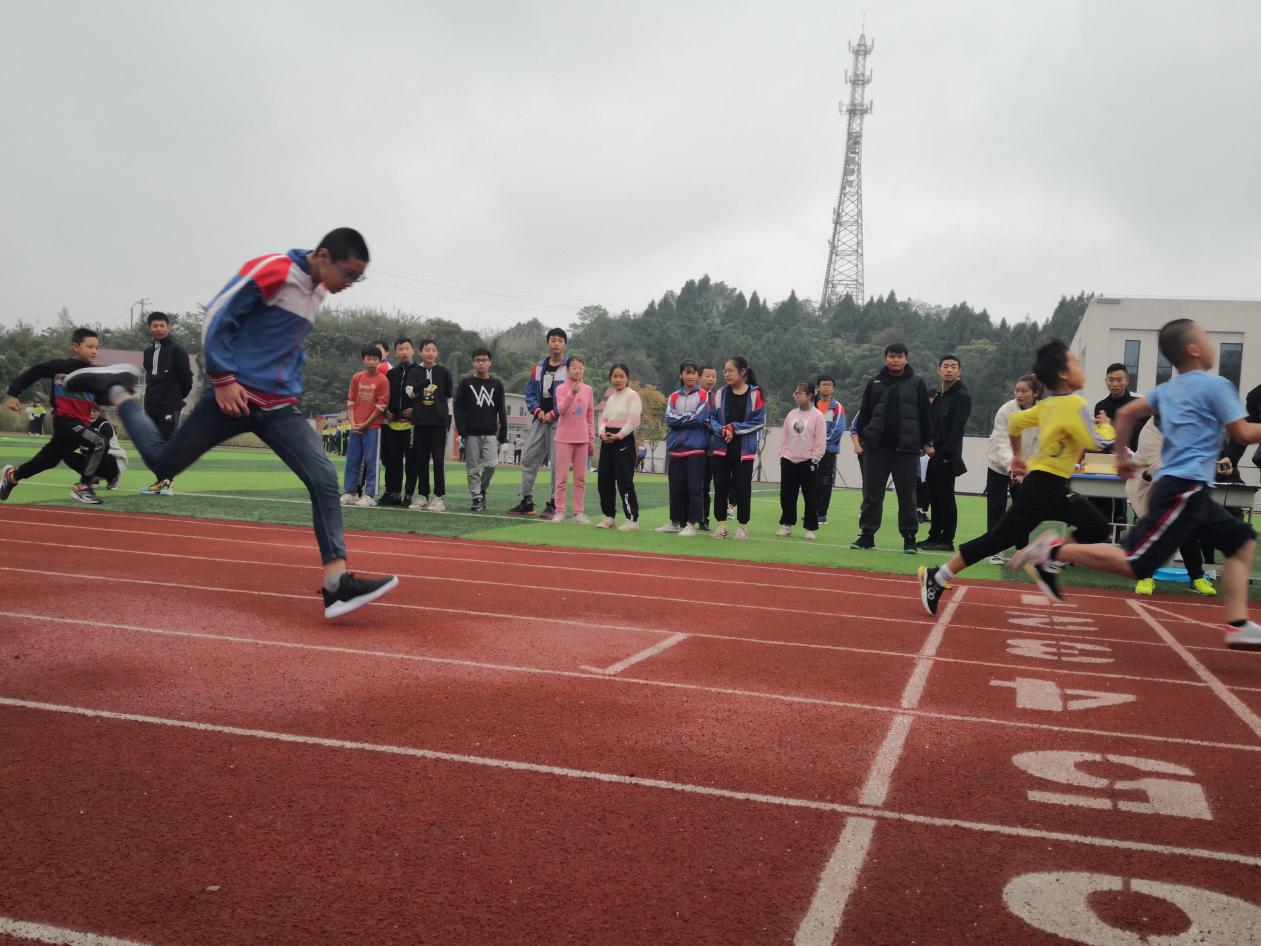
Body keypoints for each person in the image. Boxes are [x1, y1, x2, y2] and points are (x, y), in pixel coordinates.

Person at [64, 228, 397, 618]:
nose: (349, 283)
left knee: (323, 477)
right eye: (349, 273)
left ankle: (337, 582)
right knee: (163, 463)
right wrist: (222, 379)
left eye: (358, 278)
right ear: (323, 255)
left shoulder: (319, 291)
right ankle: (118, 390)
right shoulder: (274, 270)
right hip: (232, 398)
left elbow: (281, 341)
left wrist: (289, 379)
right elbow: (217, 315)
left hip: (278, 406)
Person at [1011, 320, 1261, 649]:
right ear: (1194, 349)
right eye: (1207, 339)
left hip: (1188, 489)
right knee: (1135, 563)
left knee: (1242, 542)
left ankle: (1238, 623)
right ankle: (1053, 550)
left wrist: (1121, 456)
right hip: (1182, 489)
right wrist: (1122, 456)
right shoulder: (1216, 387)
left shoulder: (1167, 389)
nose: (1213, 347)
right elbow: (1243, 433)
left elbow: (1127, 413)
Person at [918, 339, 1114, 615]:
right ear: (1062, 374)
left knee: (1096, 525)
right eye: (1076, 364)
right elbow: (1097, 442)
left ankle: (1046, 558)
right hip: (1044, 486)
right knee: (997, 540)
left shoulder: (1049, 406)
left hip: (1051, 485)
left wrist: (1019, 456)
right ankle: (938, 576)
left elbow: (1017, 423)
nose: (1081, 369)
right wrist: (1107, 427)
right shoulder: (1075, 404)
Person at [2, 328, 126, 505]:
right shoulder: (62, 367)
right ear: (75, 346)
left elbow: (98, 397)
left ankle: (12, 477)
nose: (94, 351)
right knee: (99, 442)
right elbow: (36, 371)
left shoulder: (95, 374)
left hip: (77, 425)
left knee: (46, 461)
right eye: (89, 346)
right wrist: (13, 394)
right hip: (65, 421)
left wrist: (116, 399)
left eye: (97, 348)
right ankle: (83, 487)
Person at [851, 343, 934, 553]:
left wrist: (927, 441)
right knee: (872, 493)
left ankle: (909, 538)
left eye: (899, 356)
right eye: (891, 356)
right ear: (885, 358)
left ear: (906, 358)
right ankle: (867, 536)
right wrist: (862, 436)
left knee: (907, 495)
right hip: (876, 448)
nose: (895, 360)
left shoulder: (917, 383)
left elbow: (925, 415)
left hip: (906, 449)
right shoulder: (875, 381)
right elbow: (866, 411)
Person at [1127, 418, 1218, 597]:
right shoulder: (1150, 430)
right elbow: (1160, 467)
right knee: (1152, 530)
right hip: (1148, 486)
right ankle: (1145, 576)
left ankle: (1196, 577)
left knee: (1187, 530)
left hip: (1177, 483)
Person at [508, 328, 569, 518]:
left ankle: (554, 504)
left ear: (565, 344)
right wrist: (538, 411)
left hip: (559, 421)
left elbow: (571, 395)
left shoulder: (569, 368)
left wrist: (554, 412)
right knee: (527, 458)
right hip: (539, 419)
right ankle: (527, 501)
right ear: (547, 343)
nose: (556, 343)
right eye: (553, 340)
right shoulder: (539, 367)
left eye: (560, 340)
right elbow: (530, 393)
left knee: (557, 464)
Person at [982, 374, 1042, 564]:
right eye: (1017, 390)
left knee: (1023, 509)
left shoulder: (1043, 413)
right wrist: (1011, 468)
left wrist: (1025, 470)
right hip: (999, 466)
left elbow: (1040, 446)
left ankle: (1022, 550)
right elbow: (1001, 443)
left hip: (1026, 469)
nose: (1019, 394)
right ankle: (995, 551)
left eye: (1024, 391)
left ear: (1036, 393)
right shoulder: (1005, 411)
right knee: (996, 508)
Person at [708, 356, 765, 540]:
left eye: (730, 370)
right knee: (720, 487)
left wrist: (734, 428)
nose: (726, 374)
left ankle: (742, 526)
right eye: (724, 371)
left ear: (742, 372)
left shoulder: (755, 394)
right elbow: (712, 419)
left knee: (742, 489)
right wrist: (723, 429)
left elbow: (759, 421)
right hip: (721, 449)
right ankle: (721, 525)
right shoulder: (720, 394)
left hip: (744, 451)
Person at [138, 311, 194, 497]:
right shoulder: (148, 352)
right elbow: (150, 378)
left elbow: (187, 378)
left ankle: (168, 482)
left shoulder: (177, 350)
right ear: (149, 328)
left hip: (170, 404)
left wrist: (176, 398)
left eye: (162, 325)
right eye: (155, 326)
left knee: (168, 441)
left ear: (168, 327)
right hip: (151, 404)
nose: (159, 329)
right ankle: (159, 480)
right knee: (153, 444)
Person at [918, 355, 971, 551]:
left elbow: (957, 430)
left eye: (953, 367)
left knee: (946, 498)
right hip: (934, 453)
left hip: (947, 455)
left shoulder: (962, 396)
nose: (949, 370)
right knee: (935, 497)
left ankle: (947, 540)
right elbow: (932, 425)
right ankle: (934, 536)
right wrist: (926, 444)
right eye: (945, 366)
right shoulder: (939, 396)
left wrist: (942, 453)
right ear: (938, 370)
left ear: (959, 371)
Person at [659, 359, 710, 536]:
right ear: (681, 374)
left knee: (694, 488)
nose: (690, 376)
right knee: (676, 487)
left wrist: (681, 419)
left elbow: (699, 417)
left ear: (697, 375)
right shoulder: (673, 396)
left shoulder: (703, 395)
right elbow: (669, 419)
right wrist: (687, 417)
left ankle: (690, 524)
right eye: (687, 372)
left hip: (695, 449)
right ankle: (675, 522)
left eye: (694, 372)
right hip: (676, 449)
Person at [453, 347, 507, 512]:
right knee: (473, 468)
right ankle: (476, 497)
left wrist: (503, 432)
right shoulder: (466, 383)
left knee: (491, 465)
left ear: (490, 363)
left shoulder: (496, 384)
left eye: (484, 360)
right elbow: (458, 406)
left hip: (490, 432)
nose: (481, 363)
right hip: (471, 433)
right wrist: (462, 430)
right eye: (477, 360)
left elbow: (501, 409)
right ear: (473, 363)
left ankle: (481, 490)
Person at [339, 346, 389, 508]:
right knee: (352, 460)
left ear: (380, 361)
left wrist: (365, 424)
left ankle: (370, 494)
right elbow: (351, 402)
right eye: (369, 358)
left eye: (375, 359)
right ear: (363, 360)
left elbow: (381, 406)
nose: (372, 362)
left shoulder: (383, 380)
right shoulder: (357, 378)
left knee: (371, 460)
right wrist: (353, 423)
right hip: (355, 427)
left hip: (373, 427)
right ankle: (351, 492)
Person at [596, 363, 642, 531]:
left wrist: (619, 435)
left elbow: (633, 421)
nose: (617, 379)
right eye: (614, 376)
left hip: (623, 441)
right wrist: (602, 433)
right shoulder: (611, 398)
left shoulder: (633, 396)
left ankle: (632, 519)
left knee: (624, 481)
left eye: (621, 376)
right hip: (607, 440)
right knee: (604, 480)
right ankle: (609, 516)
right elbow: (603, 420)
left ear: (627, 378)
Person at [778, 381, 826, 540]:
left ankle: (810, 527)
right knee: (787, 495)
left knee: (810, 496)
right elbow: (785, 437)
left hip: (808, 461)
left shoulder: (818, 416)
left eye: (800, 393)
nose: (796, 395)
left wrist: (815, 458)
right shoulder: (791, 414)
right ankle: (787, 524)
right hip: (789, 460)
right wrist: (783, 455)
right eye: (795, 393)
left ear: (810, 396)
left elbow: (820, 441)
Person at [409, 339, 452, 512]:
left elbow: (449, 396)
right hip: (420, 421)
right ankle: (423, 495)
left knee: (439, 459)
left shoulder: (443, 372)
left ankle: (439, 497)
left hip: (439, 423)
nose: (430, 353)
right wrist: (422, 385)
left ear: (437, 353)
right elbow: (410, 392)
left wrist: (448, 421)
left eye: (434, 350)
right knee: (421, 459)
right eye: (427, 350)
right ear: (420, 352)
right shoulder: (415, 371)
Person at [550, 355, 594, 524]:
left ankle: (578, 512)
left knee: (580, 478)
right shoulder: (561, 389)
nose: (578, 370)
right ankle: (559, 511)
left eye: (581, 367)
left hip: (582, 439)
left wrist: (591, 438)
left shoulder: (588, 389)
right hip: (564, 438)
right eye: (574, 367)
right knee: (561, 478)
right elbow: (561, 410)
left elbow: (590, 415)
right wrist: (572, 393)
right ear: (567, 369)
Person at [379, 338, 419, 507]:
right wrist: (386, 410)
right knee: (391, 460)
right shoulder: (391, 373)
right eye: (400, 349)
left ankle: (408, 494)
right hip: (392, 424)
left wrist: (416, 410)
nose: (404, 352)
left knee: (411, 461)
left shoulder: (420, 372)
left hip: (411, 426)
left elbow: (427, 397)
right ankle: (392, 492)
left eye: (407, 348)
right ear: (395, 353)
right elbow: (385, 395)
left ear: (413, 351)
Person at [65, 405, 128, 491]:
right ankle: (92, 478)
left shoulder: (104, 425)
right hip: (92, 458)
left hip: (113, 458)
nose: (92, 414)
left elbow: (103, 446)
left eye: (95, 411)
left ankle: (112, 479)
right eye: (89, 411)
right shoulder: (81, 424)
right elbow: (73, 443)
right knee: (66, 454)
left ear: (99, 412)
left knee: (102, 454)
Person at [813, 374, 846, 525]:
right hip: (811, 451)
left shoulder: (837, 407)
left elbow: (838, 429)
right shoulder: (812, 406)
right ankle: (811, 512)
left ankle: (822, 514)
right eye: (823, 384)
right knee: (812, 482)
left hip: (828, 451)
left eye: (829, 384)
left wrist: (821, 442)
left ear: (833, 388)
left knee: (825, 482)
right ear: (818, 387)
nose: (826, 387)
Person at [698, 364, 719, 530]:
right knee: (689, 485)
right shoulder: (694, 396)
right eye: (707, 376)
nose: (711, 379)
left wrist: (711, 424)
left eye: (713, 376)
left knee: (705, 486)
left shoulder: (717, 399)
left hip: (711, 450)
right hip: (693, 447)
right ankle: (685, 518)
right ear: (699, 377)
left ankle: (704, 519)